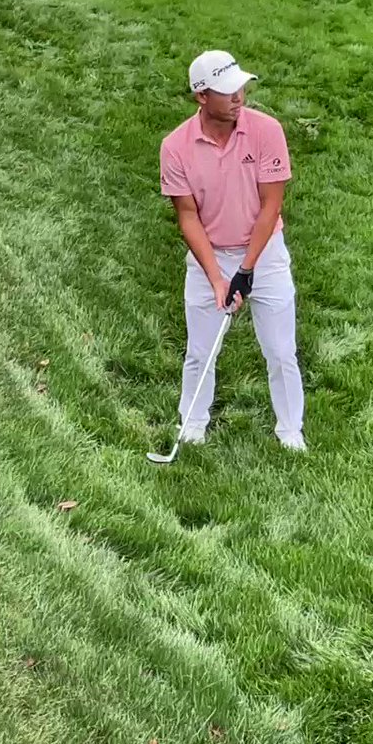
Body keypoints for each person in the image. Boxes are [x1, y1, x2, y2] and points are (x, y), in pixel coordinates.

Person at [160, 50, 306, 451]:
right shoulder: (175, 147)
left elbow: (271, 205)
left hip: (266, 251)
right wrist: (217, 276)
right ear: (202, 97)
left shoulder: (266, 130)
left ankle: (290, 431)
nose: (239, 96)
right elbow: (187, 217)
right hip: (211, 253)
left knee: (281, 351)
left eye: (241, 86)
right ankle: (192, 426)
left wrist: (247, 268)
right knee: (200, 351)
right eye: (227, 91)